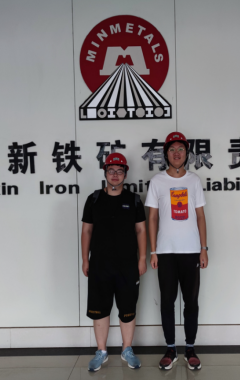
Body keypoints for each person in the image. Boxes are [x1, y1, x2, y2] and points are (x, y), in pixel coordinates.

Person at [146, 132, 209, 371]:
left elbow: (200, 216)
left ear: (186, 154)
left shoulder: (194, 180)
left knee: (191, 302)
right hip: (165, 252)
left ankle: (190, 348)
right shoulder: (157, 181)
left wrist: (203, 249)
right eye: (172, 149)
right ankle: (171, 349)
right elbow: (152, 218)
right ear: (165, 153)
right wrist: (153, 252)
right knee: (167, 302)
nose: (176, 153)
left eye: (181, 149)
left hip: (191, 251)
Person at [81, 153, 147, 372]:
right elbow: (87, 231)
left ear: (125, 174)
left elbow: (141, 230)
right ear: (105, 173)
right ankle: (101, 351)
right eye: (111, 170)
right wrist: (85, 259)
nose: (115, 175)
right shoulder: (94, 199)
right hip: (99, 265)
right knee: (100, 309)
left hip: (128, 266)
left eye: (120, 171)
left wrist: (142, 258)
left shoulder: (134, 200)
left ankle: (127, 349)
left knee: (128, 307)